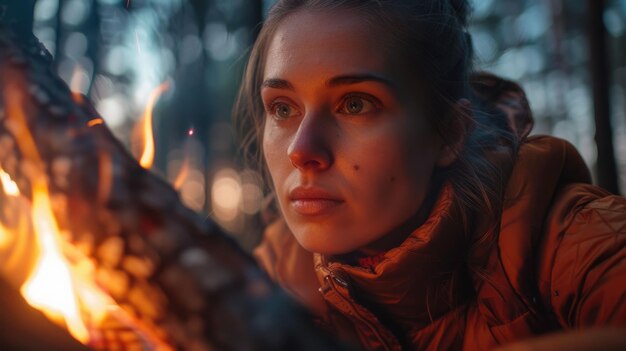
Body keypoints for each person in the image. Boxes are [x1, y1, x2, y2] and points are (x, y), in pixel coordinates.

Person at [234, 0, 626, 350]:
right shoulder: (275, 273)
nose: (300, 151)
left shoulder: (565, 234)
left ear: (448, 133)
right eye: (283, 109)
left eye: (355, 104)